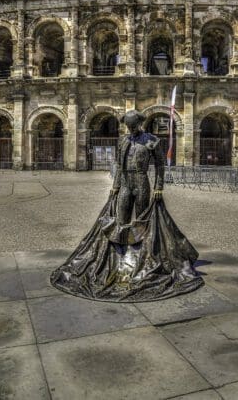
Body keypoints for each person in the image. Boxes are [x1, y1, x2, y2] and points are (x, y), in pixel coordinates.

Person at [50, 109, 203, 302]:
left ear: (139, 123)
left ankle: (142, 258)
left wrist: (158, 187)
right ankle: (118, 259)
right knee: (120, 220)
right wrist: (115, 186)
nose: (130, 128)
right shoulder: (123, 141)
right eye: (127, 125)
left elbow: (160, 166)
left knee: (142, 222)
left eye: (132, 125)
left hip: (141, 182)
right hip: (125, 183)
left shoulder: (151, 140)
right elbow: (120, 166)